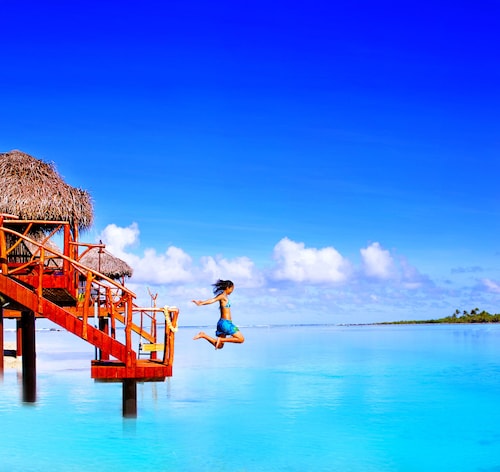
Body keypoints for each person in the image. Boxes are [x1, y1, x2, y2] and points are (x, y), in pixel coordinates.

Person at [192, 279, 245, 349]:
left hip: (222, 323)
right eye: (232, 289)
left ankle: (203, 335)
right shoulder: (222, 296)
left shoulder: (224, 297)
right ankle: (221, 339)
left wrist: (202, 303)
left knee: (220, 346)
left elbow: (213, 300)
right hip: (226, 323)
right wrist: (201, 303)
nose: (232, 291)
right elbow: (212, 300)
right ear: (227, 287)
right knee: (241, 339)